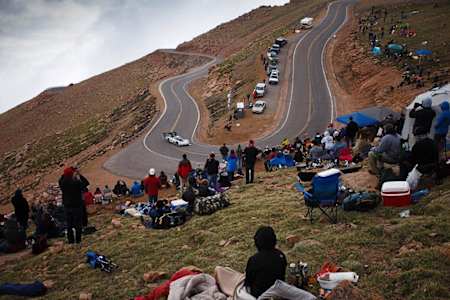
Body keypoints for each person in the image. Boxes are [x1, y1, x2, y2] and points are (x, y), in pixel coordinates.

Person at [244, 226, 287, 298]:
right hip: (278, 292)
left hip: (259, 295)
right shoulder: (281, 255)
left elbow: (248, 282)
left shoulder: (254, 259)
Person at [58, 167, 84, 244]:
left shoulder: (62, 183)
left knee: (69, 224)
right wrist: (77, 175)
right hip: (77, 206)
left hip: (67, 206)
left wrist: (65, 174)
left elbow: (60, 179)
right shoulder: (76, 182)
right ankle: (78, 240)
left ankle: (71, 240)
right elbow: (82, 185)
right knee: (78, 224)